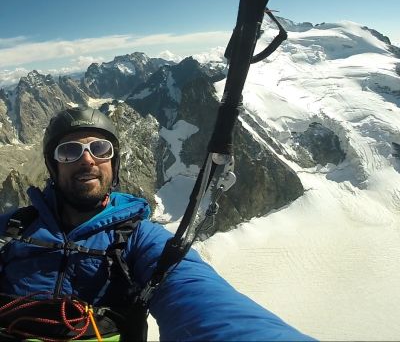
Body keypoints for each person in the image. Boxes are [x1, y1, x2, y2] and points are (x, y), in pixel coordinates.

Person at [0, 106, 314, 341]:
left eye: (100, 148)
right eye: (69, 151)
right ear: (53, 166)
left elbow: (200, 296)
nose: (87, 159)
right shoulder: (12, 228)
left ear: (113, 163)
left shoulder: (139, 239)